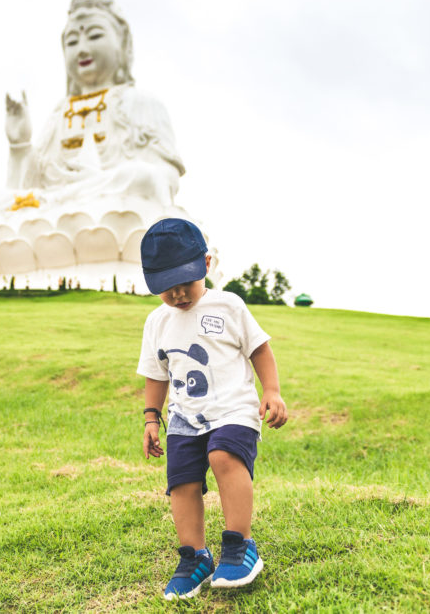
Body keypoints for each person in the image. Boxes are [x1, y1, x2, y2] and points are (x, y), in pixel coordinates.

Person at [0, 0, 184, 226]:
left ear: (122, 45)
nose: (82, 49)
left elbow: (163, 182)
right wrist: (19, 144)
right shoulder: (59, 114)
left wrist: (100, 179)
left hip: (113, 206)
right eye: (72, 42)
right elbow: (25, 189)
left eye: (94, 36)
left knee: (140, 176)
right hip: (53, 203)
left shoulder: (140, 102)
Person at [136, 218, 288, 600]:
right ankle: (195, 558)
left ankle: (240, 547)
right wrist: (151, 418)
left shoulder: (228, 305)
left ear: (206, 264)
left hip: (234, 411)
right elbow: (156, 374)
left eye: (184, 283)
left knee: (223, 456)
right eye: (167, 289)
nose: (178, 295)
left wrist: (271, 390)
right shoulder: (157, 322)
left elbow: (259, 349)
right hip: (185, 419)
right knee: (181, 483)